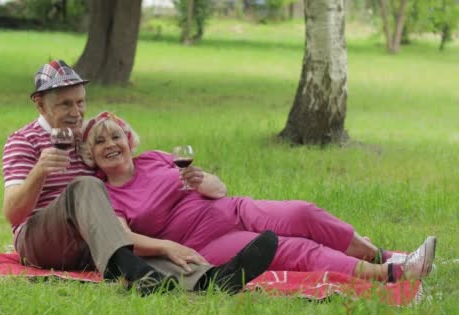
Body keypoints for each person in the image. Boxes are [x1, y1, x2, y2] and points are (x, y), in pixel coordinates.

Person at [1, 60, 279, 295]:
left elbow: (126, 175)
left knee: (141, 249)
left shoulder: (89, 137)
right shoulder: (23, 141)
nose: (76, 113)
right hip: (40, 240)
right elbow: (13, 214)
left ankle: (213, 279)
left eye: (81, 102)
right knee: (86, 187)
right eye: (65, 105)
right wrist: (39, 172)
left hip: (94, 240)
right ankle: (130, 268)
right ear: (40, 104)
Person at [79, 111, 437, 283]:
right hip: (208, 240)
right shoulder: (105, 194)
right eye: (100, 141)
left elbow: (219, 189)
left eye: (116, 136)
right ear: (90, 156)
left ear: (128, 140)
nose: (110, 144)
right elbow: (122, 238)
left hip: (231, 208)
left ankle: (387, 253)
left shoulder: (156, 158)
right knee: (292, 249)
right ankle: (388, 272)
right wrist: (166, 249)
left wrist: (203, 181)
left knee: (304, 213)